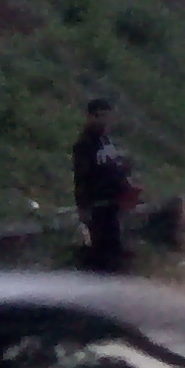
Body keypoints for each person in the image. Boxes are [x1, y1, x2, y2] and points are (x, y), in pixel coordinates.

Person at [72, 98, 139, 272]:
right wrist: (83, 207)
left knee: (116, 247)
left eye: (106, 116)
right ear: (90, 117)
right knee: (102, 251)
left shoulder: (107, 142)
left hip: (114, 203)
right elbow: (81, 176)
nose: (103, 121)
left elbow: (116, 166)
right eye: (99, 116)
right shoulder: (85, 145)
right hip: (98, 205)